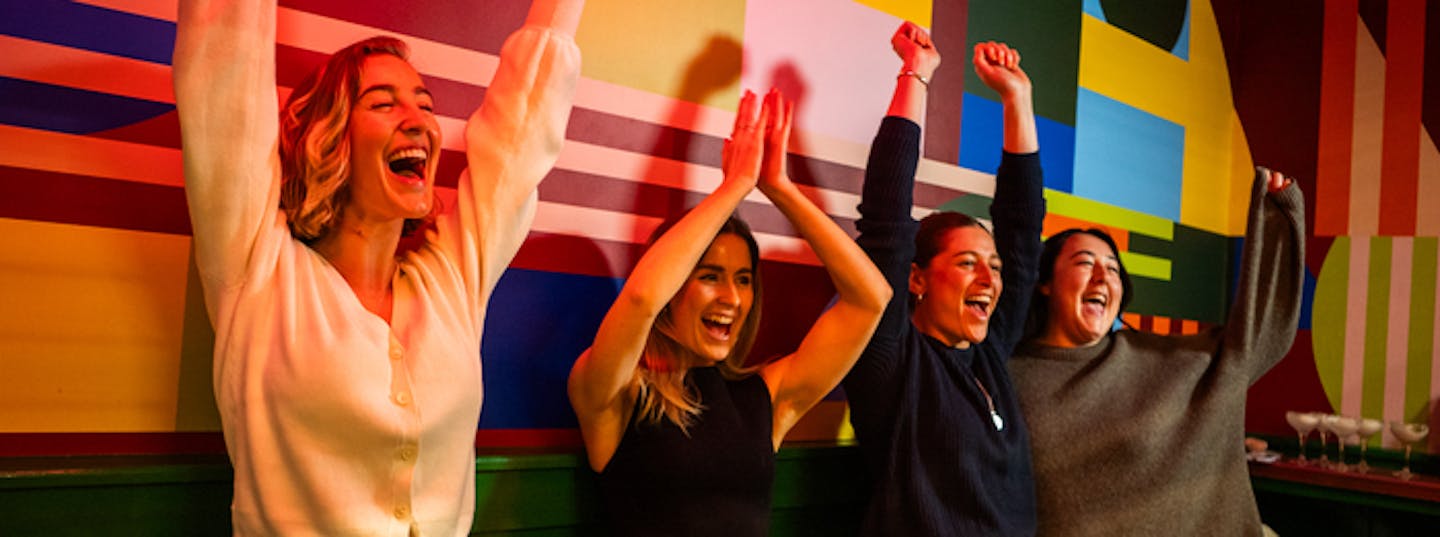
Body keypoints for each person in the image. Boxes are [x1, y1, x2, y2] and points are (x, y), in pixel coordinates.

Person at [172, 0, 582, 534]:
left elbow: (519, 138)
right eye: (383, 104)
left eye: (425, 105)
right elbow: (224, 65)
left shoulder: (451, 284)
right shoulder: (259, 271)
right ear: (329, 134)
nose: (418, 122)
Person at [567, 89, 891, 537]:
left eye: (743, 280)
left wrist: (780, 188)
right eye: (709, 276)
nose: (732, 299)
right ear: (673, 283)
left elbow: (871, 299)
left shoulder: (764, 397)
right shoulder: (616, 390)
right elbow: (641, 301)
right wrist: (734, 186)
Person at [1009, 167, 1304, 536]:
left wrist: (1277, 223)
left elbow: (1257, 339)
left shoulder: (1165, 360)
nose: (1103, 276)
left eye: (1113, 270)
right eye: (1085, 263)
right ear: (1045, 284)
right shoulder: (1009, 376)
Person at [843, 22, 1045, 536]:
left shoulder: (990, 352)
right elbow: (885, 222)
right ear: (915, 279)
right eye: (967, 263)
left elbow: (1022, 232)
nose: (990, 278)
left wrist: (1017, 100)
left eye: (993, 266)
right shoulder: (891, 361)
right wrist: (916, 74)